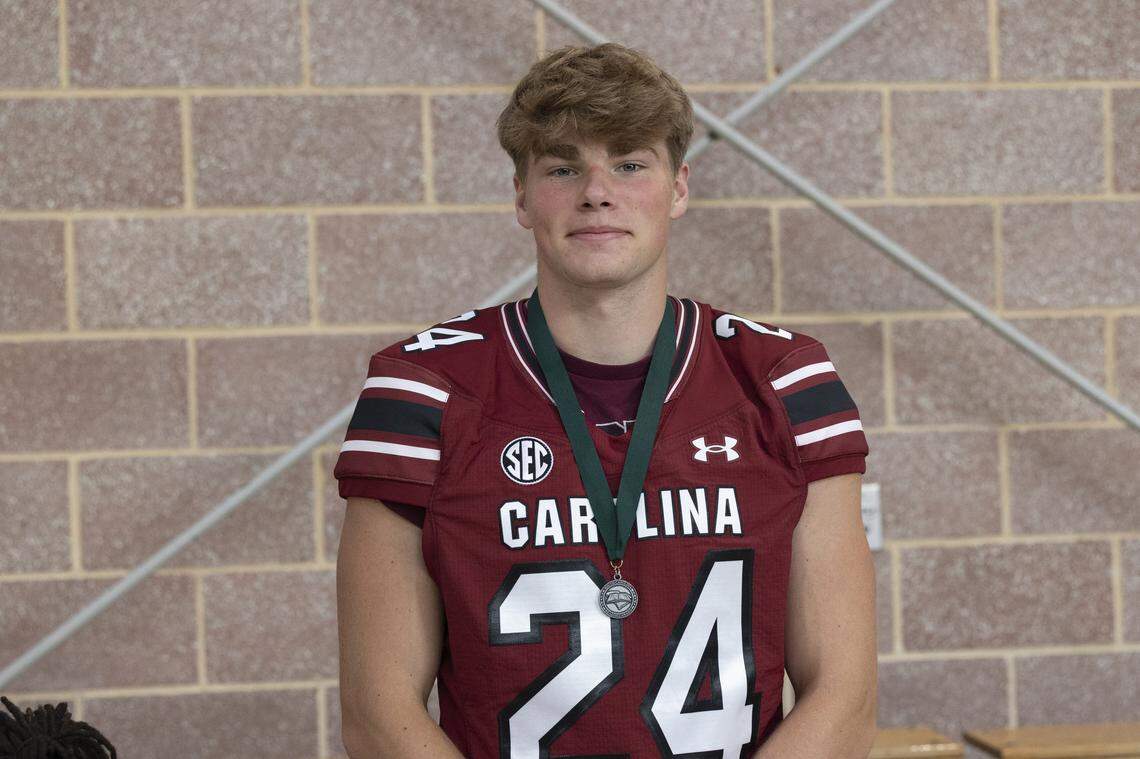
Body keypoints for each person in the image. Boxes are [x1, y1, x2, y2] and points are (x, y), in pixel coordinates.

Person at [335, 42, 876, 758]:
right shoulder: (423, 390)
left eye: (629, 163)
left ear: (678, 188)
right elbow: (378, 714)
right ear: (522, 196)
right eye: (563, 167)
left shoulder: (781, 379)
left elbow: (845, 695)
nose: (597, 191)